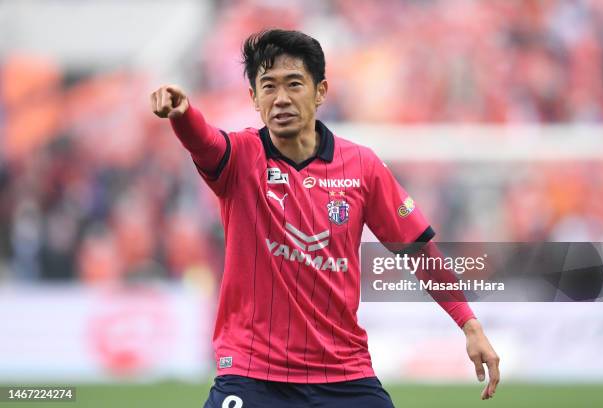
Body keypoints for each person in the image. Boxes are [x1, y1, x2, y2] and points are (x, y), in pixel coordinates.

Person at [151, 29, 499, 407]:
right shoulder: (240, 158)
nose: (281, 98)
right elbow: (204, 141)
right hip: (253, 376)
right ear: (253, 97)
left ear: (320, 92)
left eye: (294, 84)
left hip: (343, 375)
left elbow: (416, 250)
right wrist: (183, 115)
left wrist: (468, 323)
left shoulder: (363, 166)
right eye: (268, 87)